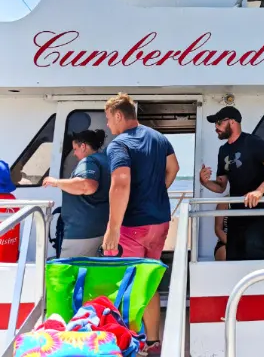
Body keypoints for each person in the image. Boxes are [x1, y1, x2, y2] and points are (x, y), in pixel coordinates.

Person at [102, 93, 180, 356]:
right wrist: (157, 191)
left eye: (109, 120)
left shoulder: (119, 144)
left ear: (119, 115)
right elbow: (174, 168)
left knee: (126, 284)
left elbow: (121, 182)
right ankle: (153, 343)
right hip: (160, 222)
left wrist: (112, 228)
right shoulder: (159, 138)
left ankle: (130, 343)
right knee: (149, 283)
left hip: (132, 225)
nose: (109, 126)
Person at [200, 106, 264, 261]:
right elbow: (221, 186)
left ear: (232, 122)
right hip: (235, 214)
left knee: (254, 259)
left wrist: (259, 192)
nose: (216, 128)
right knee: (233, 259)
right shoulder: (223, 151)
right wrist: (204, 182)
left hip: (257, 212)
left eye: (218, 123)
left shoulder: (254, 142)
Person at [43, 129, 110, 258]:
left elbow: (87, 185)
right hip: (99, 228)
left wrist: (56, 182)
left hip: (82, 233)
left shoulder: (88, 161)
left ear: (83, 146)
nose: (74, 153)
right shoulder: (105, 160)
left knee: (68, 273)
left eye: (75, 149)